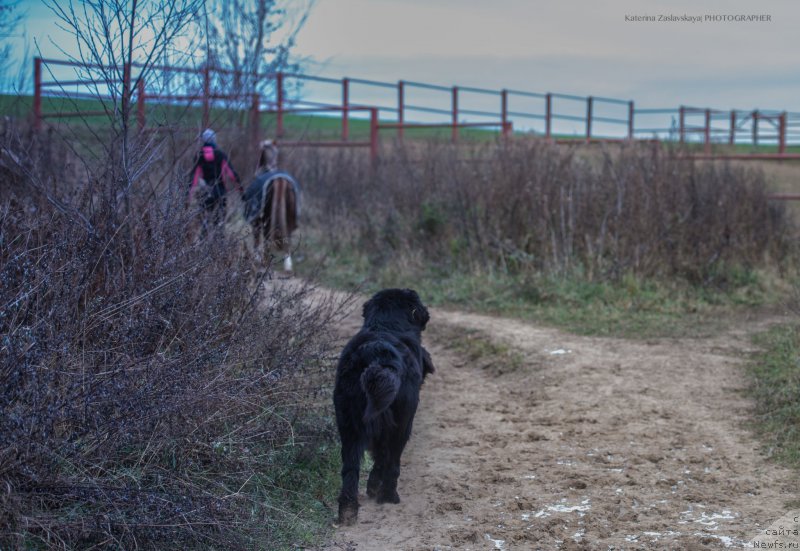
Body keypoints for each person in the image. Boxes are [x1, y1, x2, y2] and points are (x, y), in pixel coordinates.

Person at [187, 128, 243, 232]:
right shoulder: (220, 155)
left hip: (205, 192)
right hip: (220, 192)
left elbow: (194, 178)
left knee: (205, 222)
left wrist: (188, 197)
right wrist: (241, 191)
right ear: (214, 140)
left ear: (203, 141)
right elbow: (232, 174)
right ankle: (219, 244)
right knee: (220, 222)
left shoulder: (199, 156)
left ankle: (204, 243)